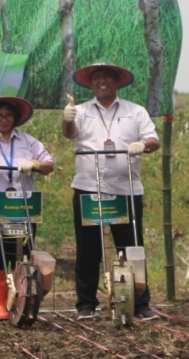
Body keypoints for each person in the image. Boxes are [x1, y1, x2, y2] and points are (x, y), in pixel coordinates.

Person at [61, 62, 160, 321]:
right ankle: (85, 304)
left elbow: (153, 139)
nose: (102, 81)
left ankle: (140, 303)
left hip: (125, 188)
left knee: (131, 246)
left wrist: (143, 145)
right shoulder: (81, 110)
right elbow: (69, 134)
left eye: (107, 77)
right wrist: (67, 119)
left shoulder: (135, 111)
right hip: (88, 188)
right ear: (91, 83)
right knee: (87, 248)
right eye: (97, 78)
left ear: (117, 81)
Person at [0, 96, 55, 320]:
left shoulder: (29, 141)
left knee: (25, 253)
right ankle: (0, 305)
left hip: (23, 207)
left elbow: (49, 164)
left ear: (16, 118)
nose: (4, 119)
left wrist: (35, 164)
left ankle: (23, 301)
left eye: (8, 115)